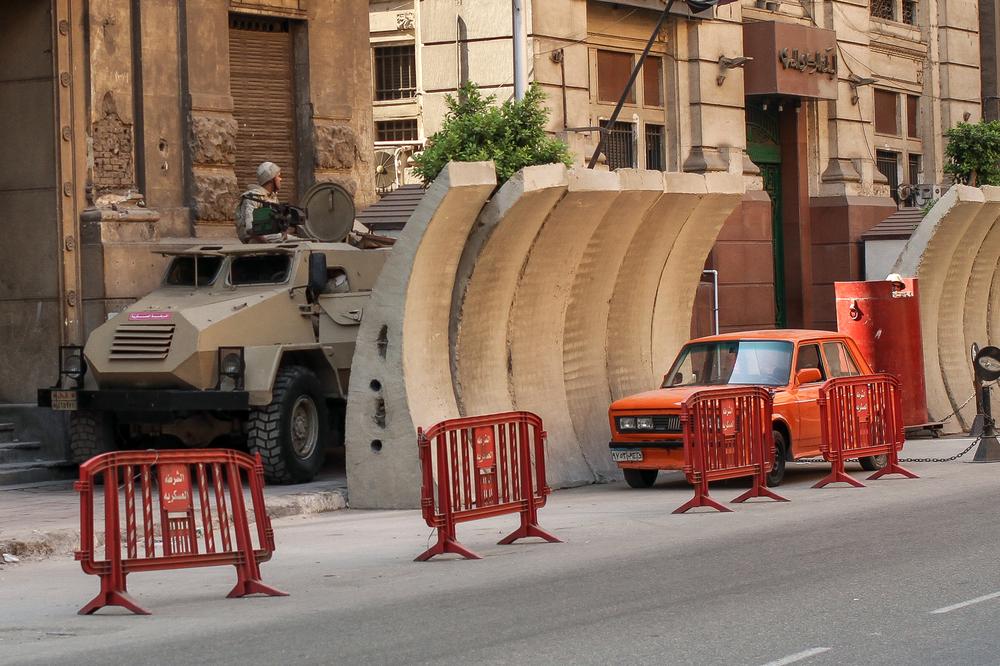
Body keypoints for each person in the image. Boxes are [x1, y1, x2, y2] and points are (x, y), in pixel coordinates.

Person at [236, 161, 286, 243]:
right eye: (278, 176)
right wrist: (267, 245)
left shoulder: (273, 198)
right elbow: (250, 229)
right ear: (271, 179)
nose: (281, 179)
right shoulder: (252, 197)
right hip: (256, 241)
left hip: (272, 237)